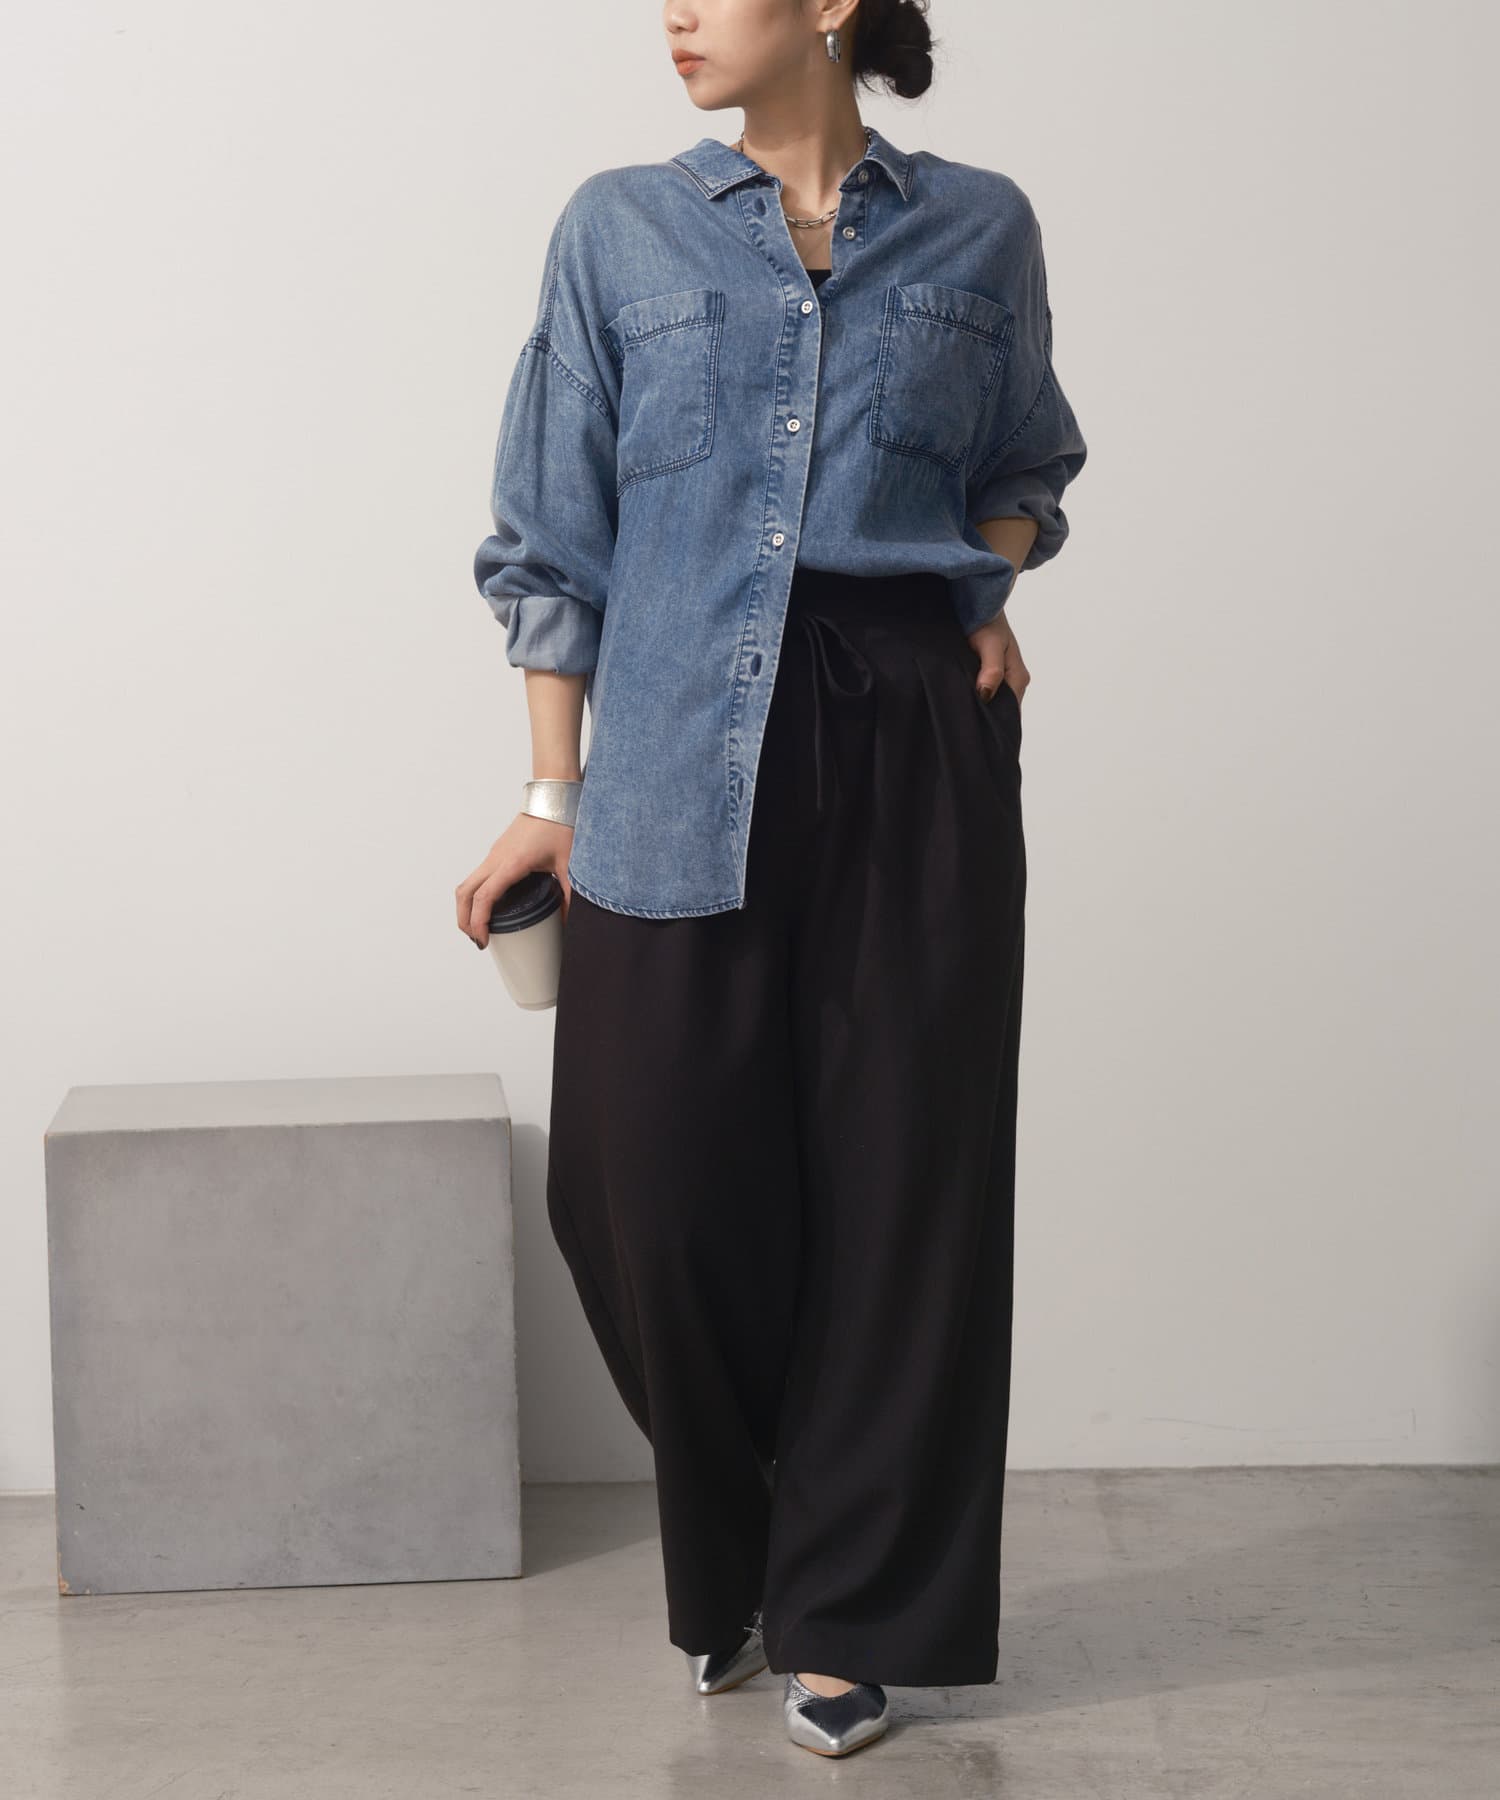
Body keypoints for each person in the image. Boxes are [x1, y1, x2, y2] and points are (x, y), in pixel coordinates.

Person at [455, 0, 1086, 1760]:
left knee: (904, 1181)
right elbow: (552, 536)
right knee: (638, 1187)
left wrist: (980, 590)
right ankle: (752, 1545)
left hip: (912, 734)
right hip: (673, 740)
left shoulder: (981, 226)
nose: (671, 13)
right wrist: (548, 795)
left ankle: (847, 1615)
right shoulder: (618, 229)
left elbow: (1027, 459)